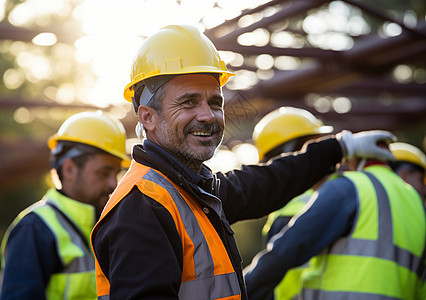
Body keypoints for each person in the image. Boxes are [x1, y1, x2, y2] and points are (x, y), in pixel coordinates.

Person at [90, 24, 396, 300]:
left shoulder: (188, 191)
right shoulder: (143, 206)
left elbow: (265, 182)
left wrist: (339, 147)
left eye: (215, 102)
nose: (207, 116)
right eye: (188, 101)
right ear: (148, 117)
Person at [244, 142, 426, 299]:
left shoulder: (349, 187)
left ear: (352, 157)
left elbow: (288, 249)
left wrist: (241, 291)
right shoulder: (418, 205)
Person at [0, 111, 130, 300]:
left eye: (115, 173)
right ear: (69, 169)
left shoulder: (109, 225)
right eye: (103, 173)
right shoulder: (34, 229)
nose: (113, 184)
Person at [253, 106, 333, 300]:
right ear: (292, 155)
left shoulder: (286, 208)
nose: (327, 153)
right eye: (315, 146)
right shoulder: (298, 209)